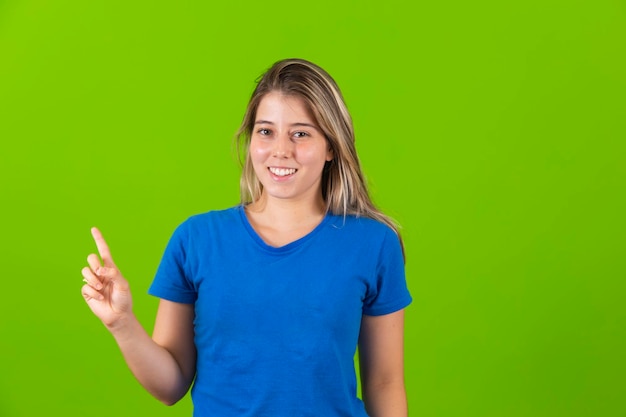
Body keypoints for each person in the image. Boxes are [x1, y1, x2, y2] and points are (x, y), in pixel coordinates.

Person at [81, 58, 412, 417]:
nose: (280, 150)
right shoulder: (196, 240)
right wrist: (122, 324)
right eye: (266, 131)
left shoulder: (373, 244)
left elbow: (384, 382)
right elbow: (170, 385)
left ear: (331, 147)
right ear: (250, 139)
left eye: (301, 133)